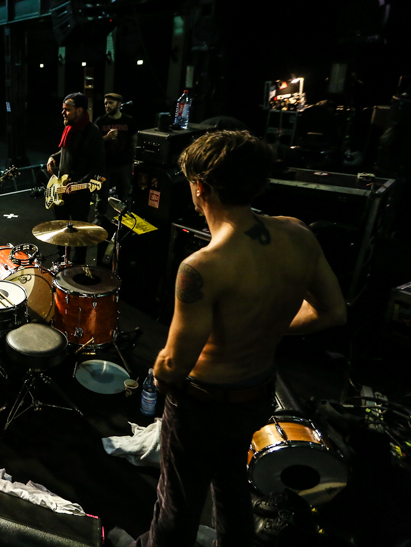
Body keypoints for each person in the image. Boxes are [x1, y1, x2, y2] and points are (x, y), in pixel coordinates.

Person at [118, 131, 346, 547]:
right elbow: (333, 312)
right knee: (234, 490)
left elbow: (175, 363)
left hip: (201, 404)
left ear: (200, 187)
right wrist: (269, 326)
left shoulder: (203, 266)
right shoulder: (298, 234)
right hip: (258, 391)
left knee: (177, 504)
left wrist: (157, 378)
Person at [46, 92, 105, 264]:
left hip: (79, 193)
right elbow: (67, 150)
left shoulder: (92, 132)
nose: (63, 113)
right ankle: (62, 259)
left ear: (80, 110)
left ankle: (78, 265)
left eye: (67, 110)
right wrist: (54, 156)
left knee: (79, 231)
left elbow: (99, 167)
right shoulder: (69, 128)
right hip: (61, 190)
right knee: (60, 228)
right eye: (63, 109)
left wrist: (79, 184)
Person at [95, 92, 136, 218]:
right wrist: (107, 137)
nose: (107, 106)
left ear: (119, 105)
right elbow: (94, 143)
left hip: (124, 163)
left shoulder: (128, 121)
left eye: (110, 103)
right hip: (105, 164)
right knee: (102, 193)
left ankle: (123, 218)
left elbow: (134, 141)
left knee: (123, 193)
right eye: (105, 103)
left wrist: (134, 161)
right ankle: (100, 217)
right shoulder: (101, 121)